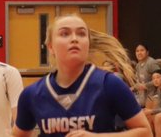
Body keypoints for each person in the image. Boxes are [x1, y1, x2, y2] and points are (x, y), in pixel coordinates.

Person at [13, 14, 151, 137]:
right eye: (65, 34)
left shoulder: (109, 84)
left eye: (81, 34)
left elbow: (145, 132)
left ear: (88, 43)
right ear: (50, 47)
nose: (74, 39)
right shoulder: (31, 94)